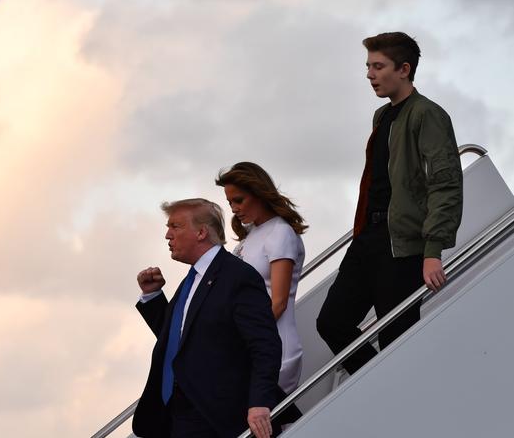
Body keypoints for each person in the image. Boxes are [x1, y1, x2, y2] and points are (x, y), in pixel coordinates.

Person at [316, 31, 463, 375]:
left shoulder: (427, 114)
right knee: (332, 322)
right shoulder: (381, 117)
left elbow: (445, 184)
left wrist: (432, 251)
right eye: (368, 66)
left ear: (404, 69)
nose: (370, 74)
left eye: (378, 66)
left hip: (402, 245)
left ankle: (398, 397)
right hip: (368, 236)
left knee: (396, 336)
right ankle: (379, 380)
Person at [132, 198, 283, 438]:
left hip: (216, 417)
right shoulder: (191, 281)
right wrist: (153, 297)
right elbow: (179, 339)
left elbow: (265, 345)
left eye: (175, 227)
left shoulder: (237, 276)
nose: (167, 235)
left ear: (201, 232)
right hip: (179, 414)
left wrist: (260, 402)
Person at [215, 162, 308, 396]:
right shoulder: (250, 236)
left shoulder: (281, 232)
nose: (234, 208)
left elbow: (278, 302)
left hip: (275, 348)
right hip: (251, 345)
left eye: (239, 200)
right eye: (230, 203)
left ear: (258, 193)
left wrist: (239, 337)